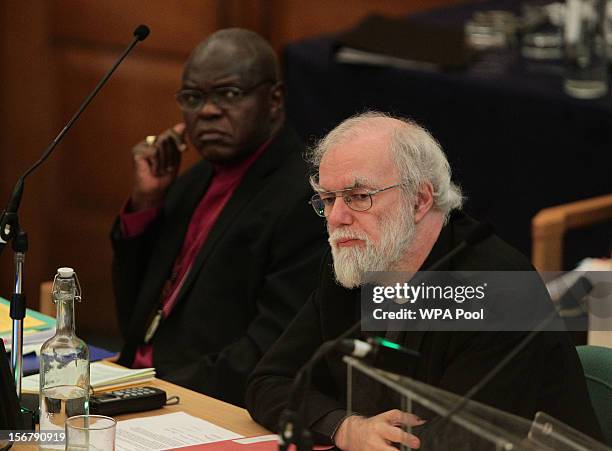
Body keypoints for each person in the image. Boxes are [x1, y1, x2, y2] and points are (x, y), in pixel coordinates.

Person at [245, 112, 603, 448]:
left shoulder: (495, 290)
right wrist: (346, 428)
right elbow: (270, 383)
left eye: (358, 197)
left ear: (419, 200)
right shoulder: (354, 264)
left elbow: (449, 442)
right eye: (327, 198)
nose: (337, 217)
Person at [110, 28, 326, 406]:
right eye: (193, 98)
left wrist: (161, 392)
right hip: (136, 380)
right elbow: (133, 320)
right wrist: (147, 206)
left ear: (274, 99)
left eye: (229, 94)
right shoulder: (192, 179)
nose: (207, 111)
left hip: (202, 400)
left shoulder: (304, 199)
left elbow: (270, 351)